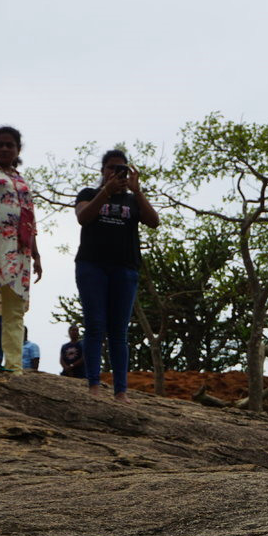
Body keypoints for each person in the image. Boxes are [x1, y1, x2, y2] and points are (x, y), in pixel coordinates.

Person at [74, 149, 159, 401]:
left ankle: (121, 391)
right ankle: (94, 385)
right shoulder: (89, 194)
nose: (115, 172)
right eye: (111, 168)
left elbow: (154, 221)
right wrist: (106, 192)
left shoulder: (133, 201)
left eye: (121, 168)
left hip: (125, 268)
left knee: (119, 331)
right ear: (102, 171)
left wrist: (137, 191)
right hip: (92, 266)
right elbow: (82, 217)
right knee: (95, 325)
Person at [0, 126, 41, 374]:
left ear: (18, 149)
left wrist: (36, 254)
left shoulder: (22, 181)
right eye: (0, 144)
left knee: (15, 308)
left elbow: (29, 218)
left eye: (10, 145)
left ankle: (15, 365)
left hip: (19, 250)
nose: (5, 148)